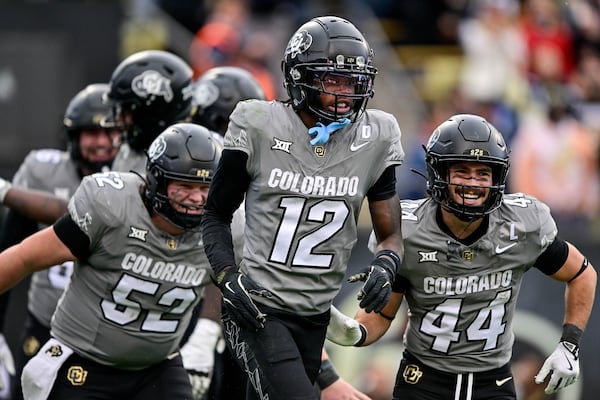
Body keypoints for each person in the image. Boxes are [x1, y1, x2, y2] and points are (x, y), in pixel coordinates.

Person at [200, 15, 405, 400]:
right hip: (257, 308)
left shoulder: (375, 136)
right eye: (333, 81)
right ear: (300, 77)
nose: (345, 93)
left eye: (353, 82)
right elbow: (215, 215)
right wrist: (228, 277)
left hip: (315, 315)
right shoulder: (259, 123)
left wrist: (386, 263)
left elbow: (389, 233)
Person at [326, 113, 597, 399]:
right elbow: (382, 314)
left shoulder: (522, 225)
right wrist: (356, 332)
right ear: (439, 173)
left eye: (483, 173)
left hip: (493, 383)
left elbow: (582, 274)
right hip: (424, 380)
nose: (473, 183)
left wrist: (569, 344)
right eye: (463, 172)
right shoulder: (409, 230)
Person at [0, 123, 228, 399]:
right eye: (185, 186)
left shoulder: (224, 226)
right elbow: (25, 257)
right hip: (84, 363)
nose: (196, 198)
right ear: (157, 179)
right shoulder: (112, 207)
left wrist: (205, 332)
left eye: (206, 187)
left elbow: (222, 278)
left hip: (157, 368)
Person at [0, 83, 122, 400]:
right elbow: (10, 250)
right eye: (90, 133)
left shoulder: (139, 177)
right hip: (48, 325)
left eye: (111, 132)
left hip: (114, 333)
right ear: (72, 136)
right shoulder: (44, 172)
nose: (101, 143)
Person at [107, 49, 195, 174]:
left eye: (126, 112)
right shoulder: (129, 151)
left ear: (150, 114)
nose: (119, 119)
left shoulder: (183, 163)